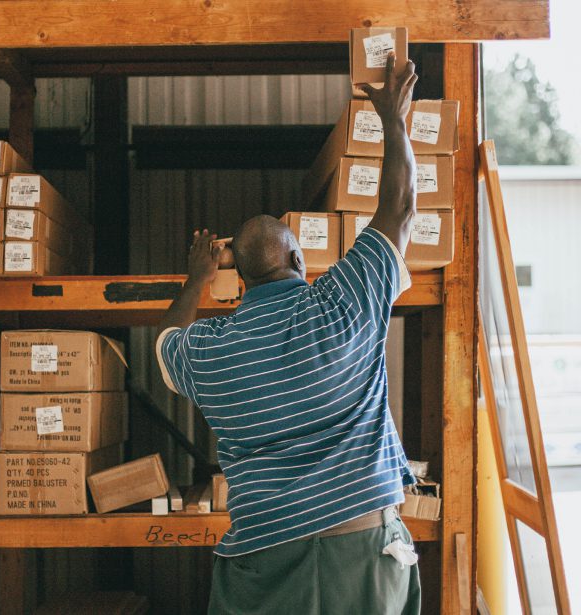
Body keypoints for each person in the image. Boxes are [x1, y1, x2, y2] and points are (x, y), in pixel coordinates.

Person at [155, 52, 421, 615]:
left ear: (238, 278)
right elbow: (398, 209)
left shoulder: (213, 349)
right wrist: (394, 119)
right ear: (300, 257)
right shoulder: (346, 299)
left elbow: (165, 343)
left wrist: (196, 278)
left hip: (266, 557)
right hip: (363, 546)